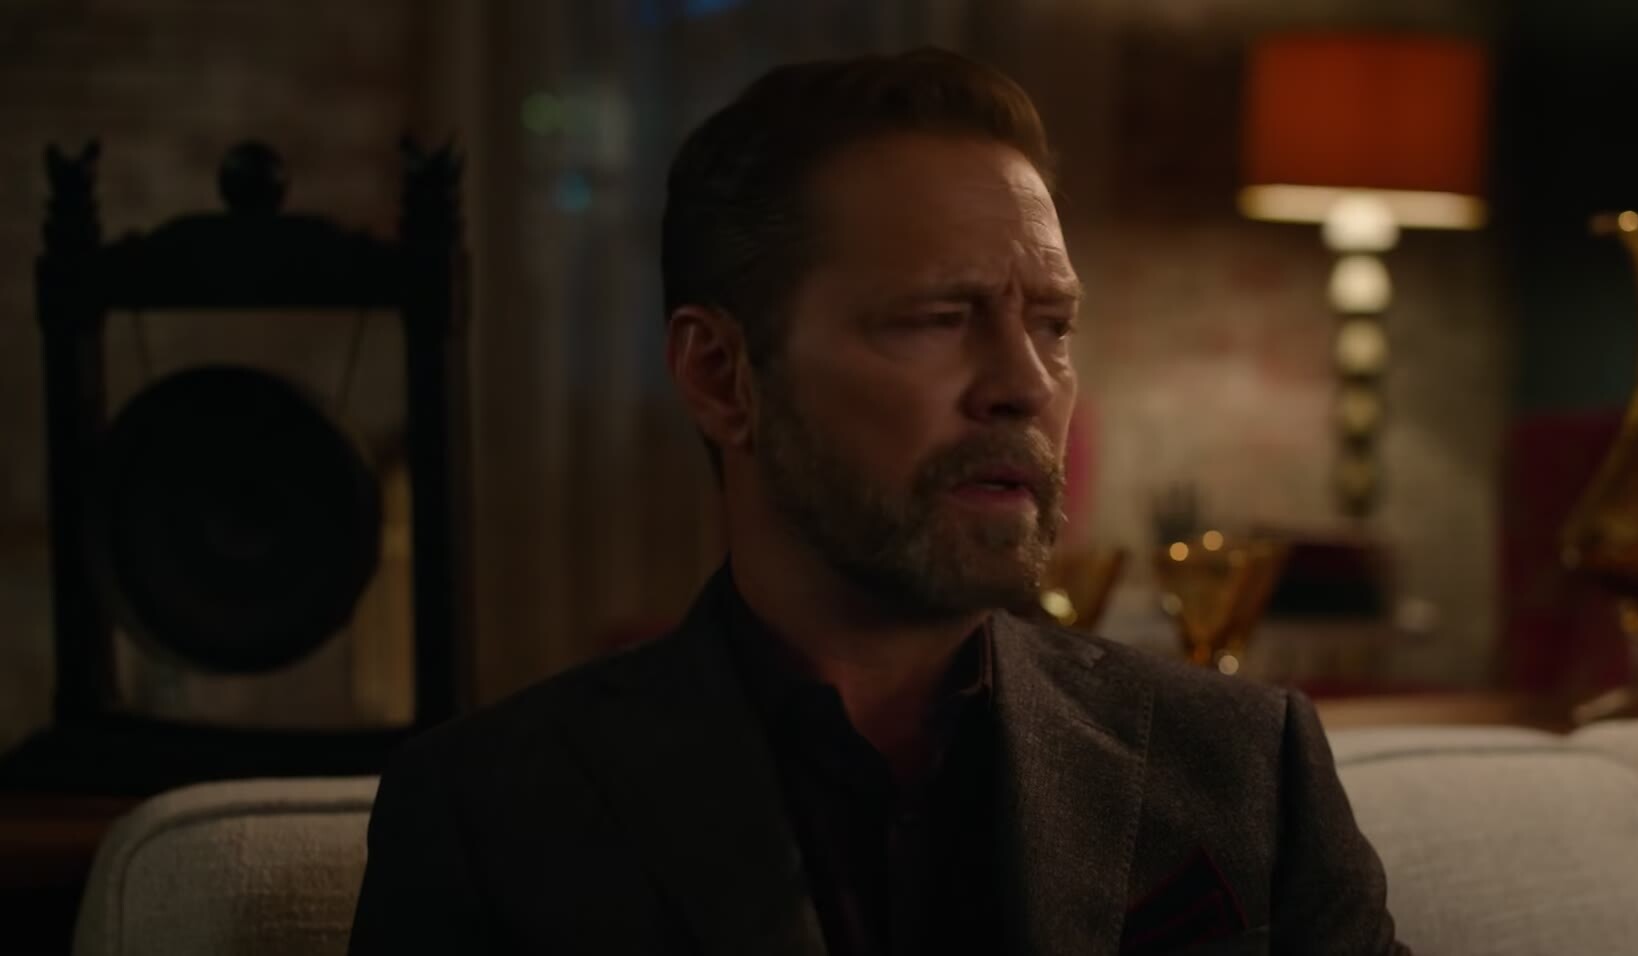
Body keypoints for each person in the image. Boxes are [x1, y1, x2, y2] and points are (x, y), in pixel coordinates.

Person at [349, 48, 1407, 956]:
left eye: (1052, 324)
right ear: (721, 376)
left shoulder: (1243, 764)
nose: (1026, 384)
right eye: (938, 317)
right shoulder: (494, 813)